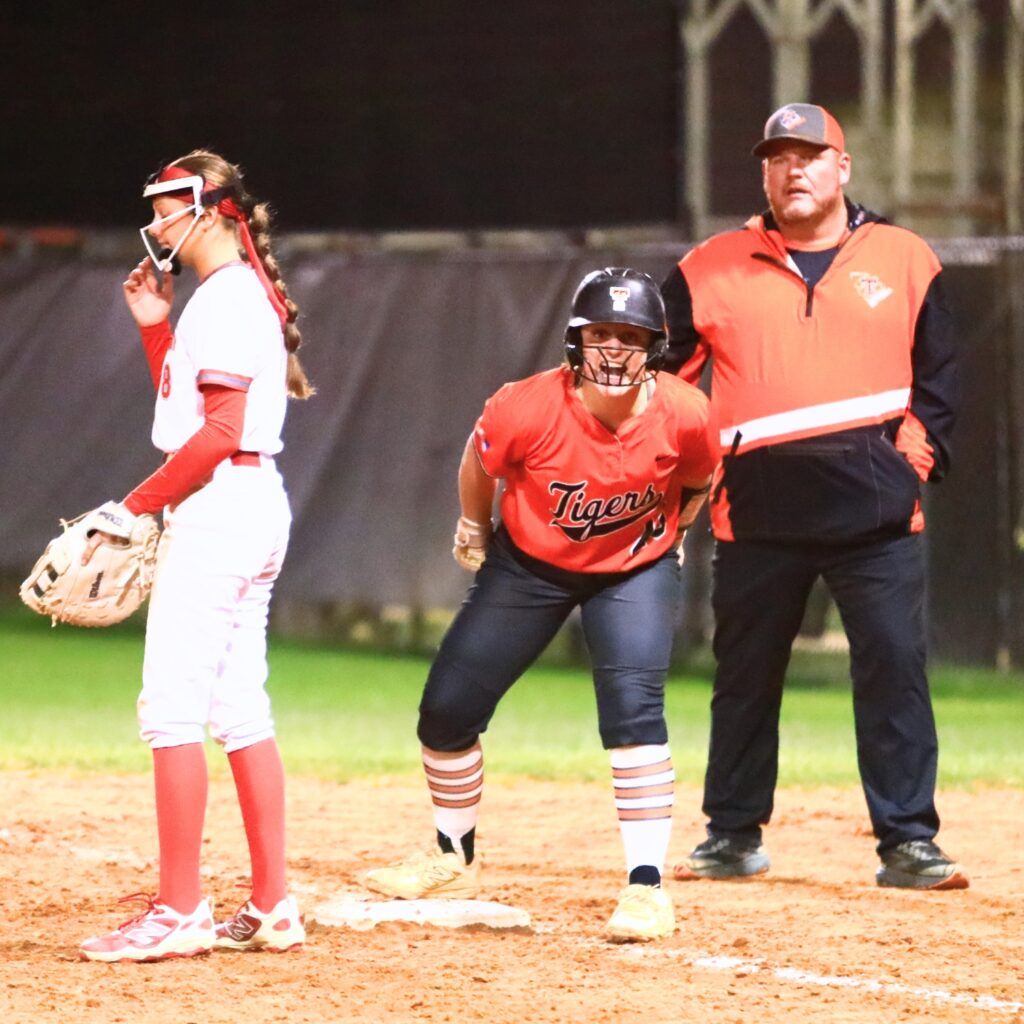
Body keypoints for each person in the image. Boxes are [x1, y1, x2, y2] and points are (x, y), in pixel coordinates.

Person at [661, 103, 966, 890]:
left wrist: (911, 462)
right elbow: (664, 384)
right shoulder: (709, 266)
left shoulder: (904, 257)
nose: (792, 170)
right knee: (745, 675)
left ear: (843, 166)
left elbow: (941, 379)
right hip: (756, 512)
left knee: (894, 668)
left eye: (809, 155)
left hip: (877, 516)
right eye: (777, 158)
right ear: (764, 172)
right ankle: (730, 834)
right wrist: (697, 466)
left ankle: (907, 842)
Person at [363, 268, 718, 942]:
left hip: (632, 570)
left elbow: (698, 482)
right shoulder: (525, 405)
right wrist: (475, 527)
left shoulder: (687, 412)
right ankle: (452, 855)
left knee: (633, 712)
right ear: (574, 341)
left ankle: (646, 887)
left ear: (657, 347)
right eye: (602, 334)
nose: (615, 350)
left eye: (632, 336)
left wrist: (665, 539)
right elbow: (479, 463)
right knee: (446, 710)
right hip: (530, 564)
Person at [78, 150, 313, 962]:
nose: (155, 222)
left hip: (221, 509)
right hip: (249, 500)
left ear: (214, 208)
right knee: (239, 706)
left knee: (170, 709)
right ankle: (273, 903)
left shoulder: (226, 297)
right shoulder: (231, 294)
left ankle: (180, 911)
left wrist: (130, 507)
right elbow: (192, 415)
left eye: (168, 206)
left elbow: (214, 437)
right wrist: (156, 331)